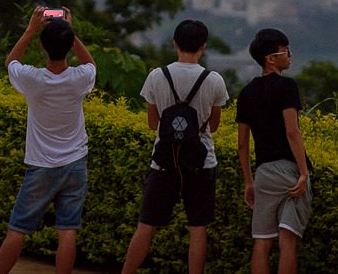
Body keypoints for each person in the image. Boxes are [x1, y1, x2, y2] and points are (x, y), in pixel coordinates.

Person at [0, 6, 97, 274]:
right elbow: (90, 65)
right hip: (75, 163)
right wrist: (71, 34)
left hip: (41, 165)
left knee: (18, 229)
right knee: (67, 231)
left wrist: (30, 29)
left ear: (42, 45)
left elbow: (10, 62)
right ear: (69, 44)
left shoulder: (33, 79)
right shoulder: (79, 78)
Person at [121, 19, 229, 274]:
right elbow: (213, 126)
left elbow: (152, 123)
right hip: (201, 163)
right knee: (198, 230)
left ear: (174, 43)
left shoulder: (157, 76)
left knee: (146, 226)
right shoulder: (214, 80)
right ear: (203, 46)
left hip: (164, 162)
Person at [236, 28, 312, 274]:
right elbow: (293, 132)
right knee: (287, 239)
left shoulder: (246, 93)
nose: (289, 55)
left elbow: (243, 144)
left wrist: (249, 182)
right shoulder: (286, 86)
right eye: (285, 50)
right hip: (289, 170)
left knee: (262, 240)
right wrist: (303, 172)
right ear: (271, 58)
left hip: (264, 173)